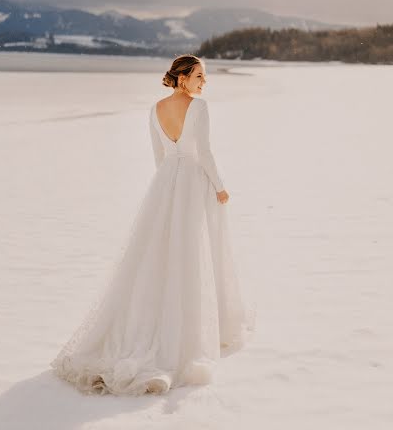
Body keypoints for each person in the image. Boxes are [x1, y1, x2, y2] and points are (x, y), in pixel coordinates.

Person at [50, 54, 254, 396]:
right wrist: (219, 187)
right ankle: (183, 334)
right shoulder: (198, 108)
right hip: (192, 184)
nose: (205, 82)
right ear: (183, 77)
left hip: (164, 186)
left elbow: (160, 157)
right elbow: (203, 152)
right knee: (191, 255)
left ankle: (149, 325)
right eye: (200, 75)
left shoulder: (155, 109)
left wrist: (167, 186)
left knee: (156, 258)